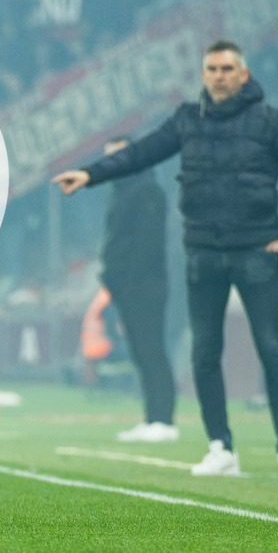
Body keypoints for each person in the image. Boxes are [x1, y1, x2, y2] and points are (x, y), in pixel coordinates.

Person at [52, 40, 278, 479]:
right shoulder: (187, 120)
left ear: (243, 75)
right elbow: (142, 152)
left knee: (272, 348)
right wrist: (91, 174)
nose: (218, 75)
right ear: (204, 74)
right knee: (204, 352)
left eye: (226, 68)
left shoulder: (270, 123)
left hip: (255, 249)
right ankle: (221, 447)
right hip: (203, 254)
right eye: (211, 68)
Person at [98, 137, 178, 443]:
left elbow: (146, 244)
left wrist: (126, 278)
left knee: (152, 349)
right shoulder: (121, 191)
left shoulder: (147, 191)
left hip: (145, 284)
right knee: (140, 352)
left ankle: (164, 419)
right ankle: (152, 417)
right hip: (127, 286)